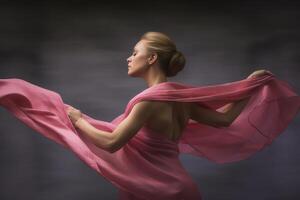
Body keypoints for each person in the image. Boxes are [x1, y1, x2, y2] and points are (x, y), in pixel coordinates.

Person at [0, 32, 299, 200]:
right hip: (183, 189)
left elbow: (113, 142)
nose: (129, 57)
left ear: (152, 58)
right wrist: (249, 85)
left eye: (135, 52)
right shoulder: (180, 98)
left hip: (153, 193)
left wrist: (77, 119)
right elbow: (224, 120)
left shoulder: (150, 100)